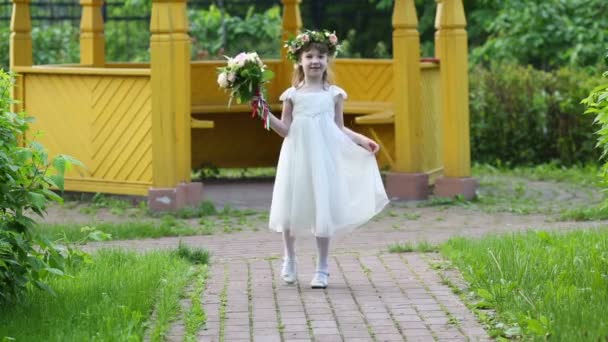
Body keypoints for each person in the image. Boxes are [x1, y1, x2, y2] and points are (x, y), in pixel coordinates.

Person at [260, 29, 389, 289]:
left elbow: (338, 127)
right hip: (297, 155)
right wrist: (264, 112)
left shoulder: (334, 94)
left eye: (320, 56)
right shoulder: (292, 96)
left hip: (323, 158)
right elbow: (285, 129)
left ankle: (322, 267)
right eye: (309, 56)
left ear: (328, 60)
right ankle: (290, 258)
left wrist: (361, 140)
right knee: (290, 203)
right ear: (300, 61)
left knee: (323, 206)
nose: (315, 61)